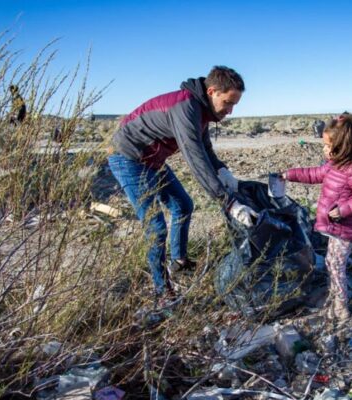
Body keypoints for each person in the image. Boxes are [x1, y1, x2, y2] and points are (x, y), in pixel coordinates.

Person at [107, 66, 254, 303]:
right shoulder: (186, 108)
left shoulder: (202, 110)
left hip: (152, 160)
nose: (230, 111)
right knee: (155, 227)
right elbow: (195, 158)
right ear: (212, 91)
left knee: (183, 205)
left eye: (234, 105)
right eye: (227, 103)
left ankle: (179, 261)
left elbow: (206, 149)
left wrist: (222, 171)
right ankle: (162, 291)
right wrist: (228, 203)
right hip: (129, 158)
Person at [279, 114, 352, 322]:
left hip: (345, 228)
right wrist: (289, 174)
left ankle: (341, 306)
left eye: (327, 145)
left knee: (336, 265)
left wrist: (343, 210)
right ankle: (334, 295)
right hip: (336, 228)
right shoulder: (333, 165)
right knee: (331, 262)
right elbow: (313, 174)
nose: (324, 149)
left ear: (342, 146)